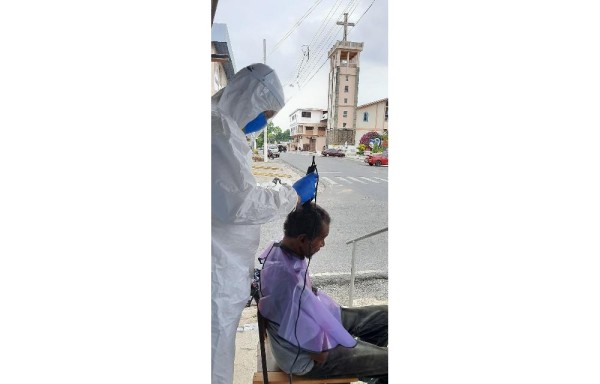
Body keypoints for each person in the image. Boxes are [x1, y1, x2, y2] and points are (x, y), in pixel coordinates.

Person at [211, 63, 318, 384]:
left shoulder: (219, 126)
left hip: (220, 272)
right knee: (213, 360)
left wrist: (280, 192)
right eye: (265, 115)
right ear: (251, 99)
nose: (263, 123)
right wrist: (291, 196)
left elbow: (232, 192)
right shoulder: (219, 132)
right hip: (214, 277)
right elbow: (238, 203)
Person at [257, 203, 388, 384]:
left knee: (385, 316)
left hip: (320, 318)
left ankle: (368, 367)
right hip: (307, 358)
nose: (323, 244)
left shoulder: (281, 249)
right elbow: (318, 352)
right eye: (321, 239)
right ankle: (369, 365)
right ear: (303, 239)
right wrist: (336, 346)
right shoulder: (290, 284)